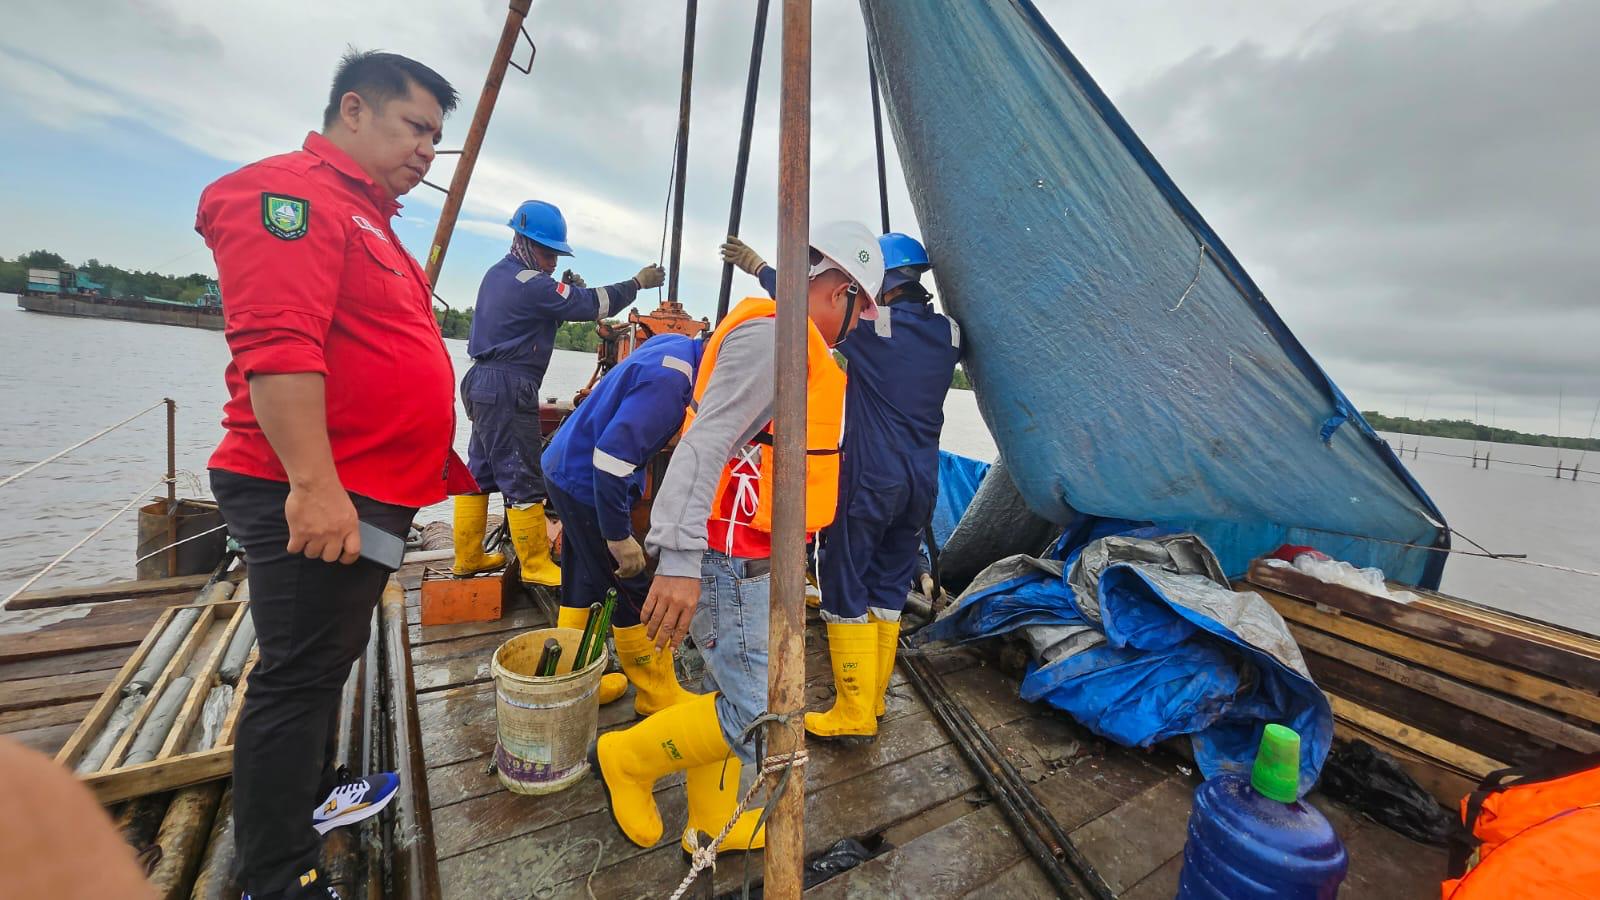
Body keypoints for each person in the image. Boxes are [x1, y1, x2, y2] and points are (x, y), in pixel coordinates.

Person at [197, 50, 467, 900]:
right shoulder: (292, 197)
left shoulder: (369, 218)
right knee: (299, 671)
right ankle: (273, 877)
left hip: (368, 486)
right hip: (320, 486)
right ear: (354, 110)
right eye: (414, 127)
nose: (428, 150)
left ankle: (312, 796)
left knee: (327, 654)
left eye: (437, 137)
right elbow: (280, 350)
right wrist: (313, 488)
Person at [593, 222, 883, 854]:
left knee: (740, 696)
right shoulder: (775, 339)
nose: (858, 328)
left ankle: (711, 819)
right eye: (860, 310)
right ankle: (628, 760)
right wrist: (680, 558)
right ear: (839, 290)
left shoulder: (795, 341)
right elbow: (706, 440)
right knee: (759, 717)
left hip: (757, 559)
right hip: (727, 561)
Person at [722, 230, 963, 741]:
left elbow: (809, 306)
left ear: (881, 283)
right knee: (889, 588)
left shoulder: (875, 326)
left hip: (872, 476)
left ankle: (852, 708)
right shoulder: (950, 335)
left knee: (845, 577)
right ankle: (872, 700)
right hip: (922, 483)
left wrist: (760, 266)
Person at [452, 200, 666, 587]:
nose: (551, 262)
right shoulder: (529, 282)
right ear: (525, 242)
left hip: (481, 381)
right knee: (522, 474)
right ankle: (535, 563)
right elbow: (587, 304)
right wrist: (636, 283)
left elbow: (557, 302)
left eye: (555, 255)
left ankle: (468, 556)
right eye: (547, 252)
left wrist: (561, 288)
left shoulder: (500, 275)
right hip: (507, 384)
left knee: (480, 469)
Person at [539, 332, 705, 712]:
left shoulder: (675, 344)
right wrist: (617, 535)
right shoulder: (672, 382)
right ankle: (655, 691)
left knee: (580, 576)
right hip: (587, 482)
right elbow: (612, 459)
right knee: (630, 582)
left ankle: (570, 676)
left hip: (563, 466)